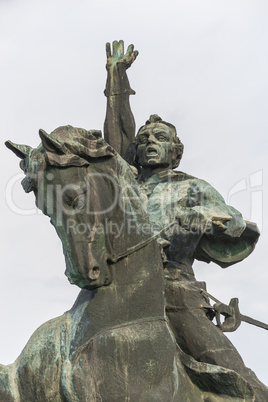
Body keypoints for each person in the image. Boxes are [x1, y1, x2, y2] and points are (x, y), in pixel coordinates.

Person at [104, 40, 268, 400]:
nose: (149, 142)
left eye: (159, 138)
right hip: (116, 289)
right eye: (144, 138)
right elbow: (116, 143)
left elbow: (234, 221)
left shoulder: (191, 187)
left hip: (173, 287)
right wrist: (116, 82)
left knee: (233, 373)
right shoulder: (126, 187)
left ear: (174, 152)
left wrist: (202, 219)